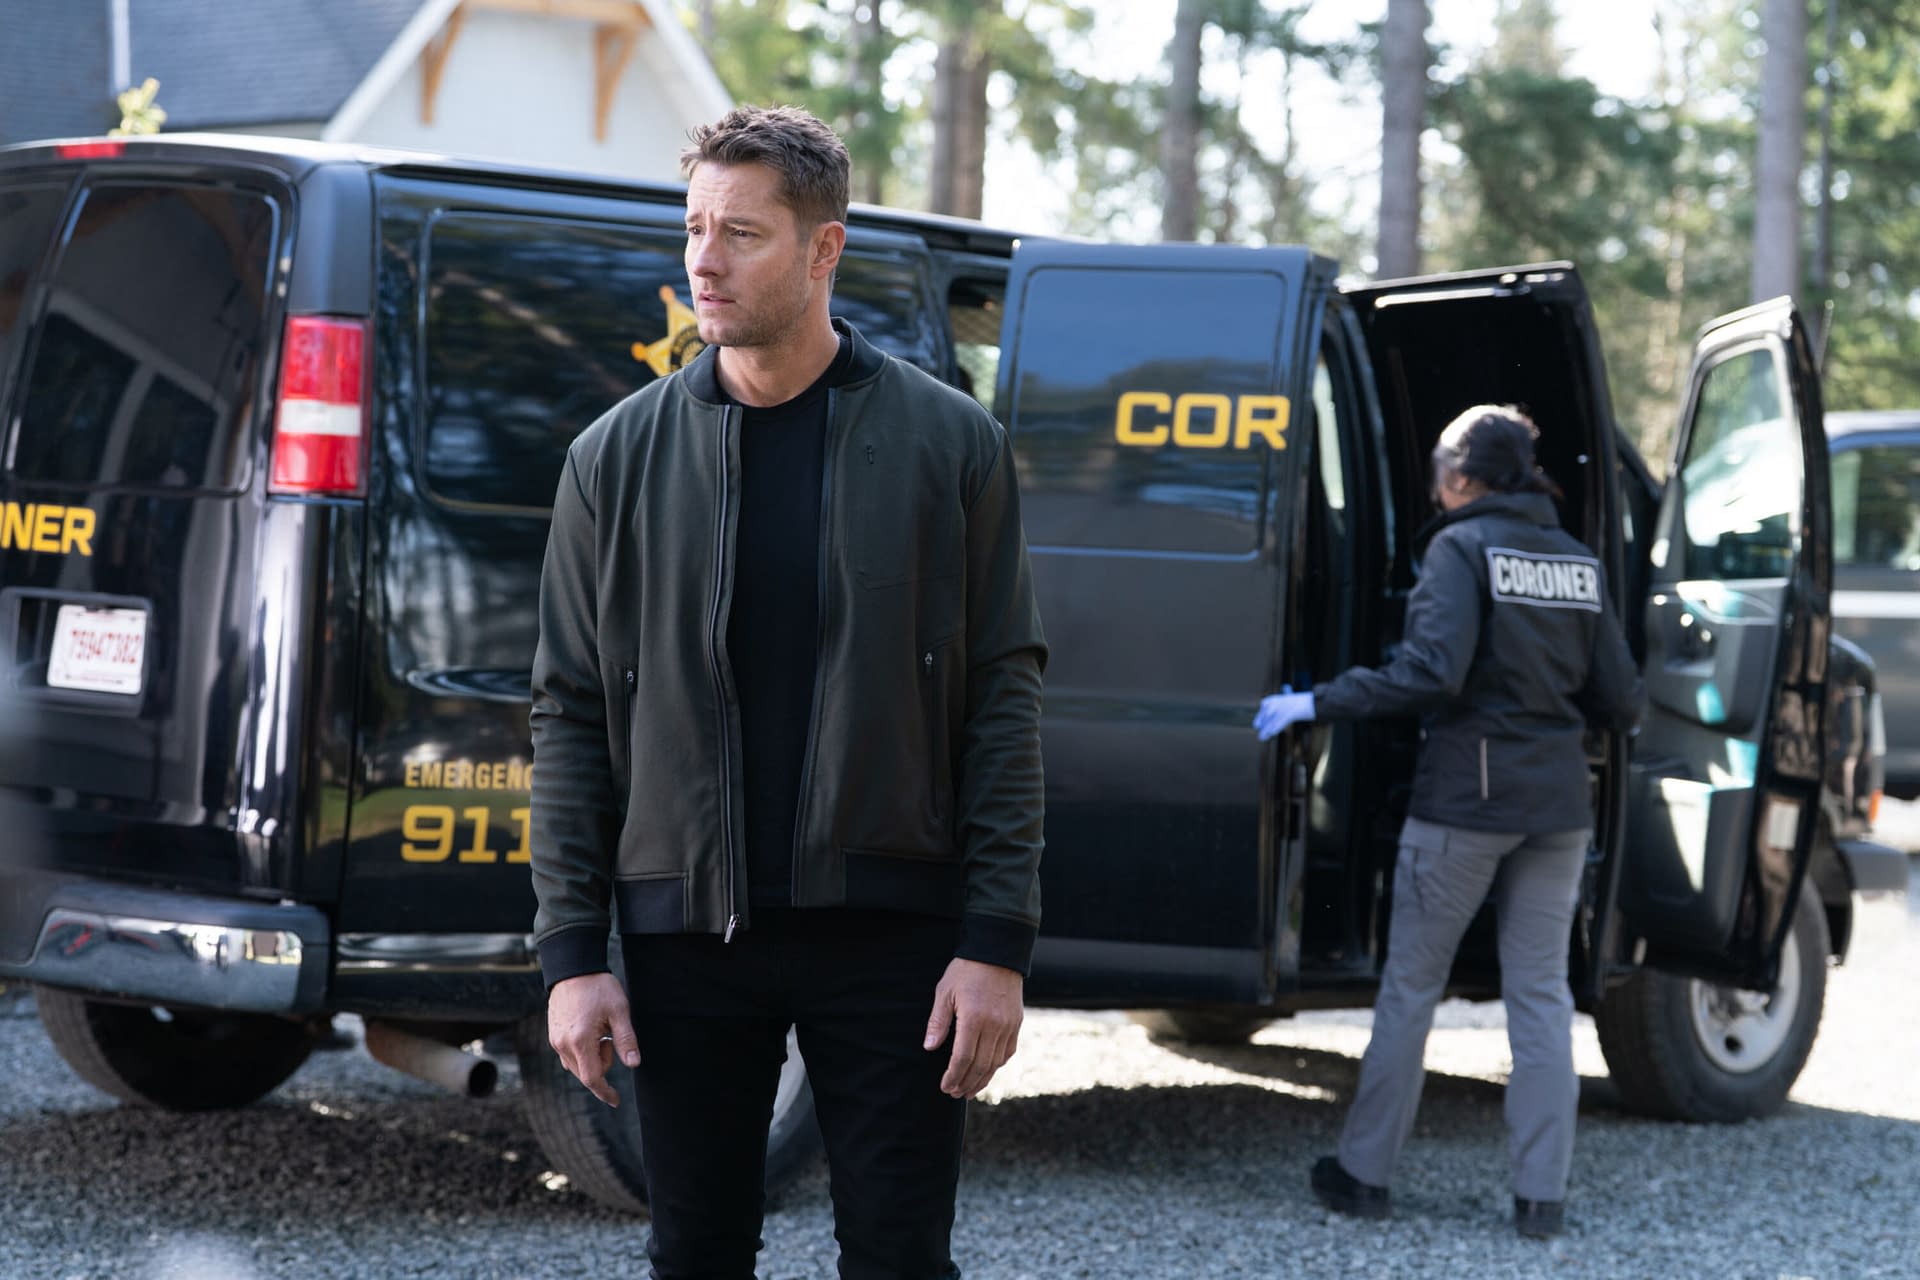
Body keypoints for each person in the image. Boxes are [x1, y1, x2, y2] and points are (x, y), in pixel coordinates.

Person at [527, 105, 1047, 1278]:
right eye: (695, 228)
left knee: (900, 1256)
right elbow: (569, 710)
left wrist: (997, 942)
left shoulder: (951, 446)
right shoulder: (612, 459)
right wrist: (571, 953)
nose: (704, 261)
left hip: (893, 938)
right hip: (684, 940)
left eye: (742, 233)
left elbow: (1002, 698)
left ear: (824, 249)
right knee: (695, 1253)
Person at [1254, 404, 1641, 1240]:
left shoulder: (1461, 549)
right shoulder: (1577, 562)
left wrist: (1319, 700)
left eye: (1439, 467)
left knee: (1411, 988)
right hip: (1558, 809)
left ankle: (1363, 1176)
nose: (1435, 482)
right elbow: (1621, 699)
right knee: (1540, 997)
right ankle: (1541, 1199)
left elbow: (1432, 672)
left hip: (1468, 802)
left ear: (1463, 477)